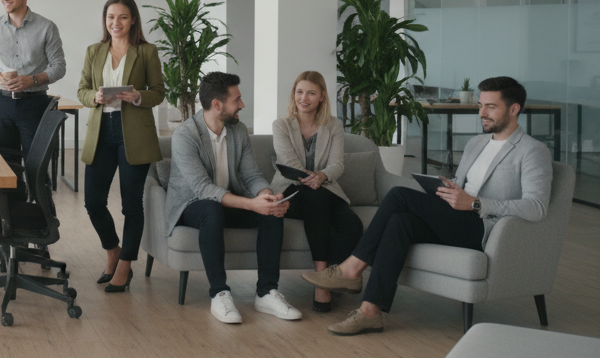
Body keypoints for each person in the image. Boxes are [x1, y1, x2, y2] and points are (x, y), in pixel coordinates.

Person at [305, 76, 552, 336]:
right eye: (480, 106)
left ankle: (351, 268)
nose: (482, 113)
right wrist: (449, 188)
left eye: (491, 107)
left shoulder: (532, 151)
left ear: (514, 109)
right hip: (458, 217)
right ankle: (370, 312)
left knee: (399, 196)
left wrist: (475, 203)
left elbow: (537, 206)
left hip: (485, 228)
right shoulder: (476, 143)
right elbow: (465, 183)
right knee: (399, 221)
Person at [164, 72, 303, 324]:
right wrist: (252, 204)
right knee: (211, 209)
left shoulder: (237, 130)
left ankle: (266, 292)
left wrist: (266, 196)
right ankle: (219, 293)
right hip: (191, 204)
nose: (242, 104)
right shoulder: (185, 135)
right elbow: (203, 189)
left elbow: (251, 175)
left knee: (271, 210)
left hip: (229, 201)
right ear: (217, 105)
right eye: (237, 99)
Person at [76, 0, 164, 293]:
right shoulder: (94, 51)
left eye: (122, 17)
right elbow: (82, 89)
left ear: (133, 20)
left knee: (131, 205)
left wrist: (138, 96)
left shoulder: (147, 52)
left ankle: (125, 265)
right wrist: (95, 97)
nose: (116, 23)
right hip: (101, 131)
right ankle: (113, 250)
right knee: (93, 202)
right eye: (111, 17)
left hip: (134, 133)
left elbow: (159, 92)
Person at [271, 71, 364, 313]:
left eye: (311, 93)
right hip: (291, 191)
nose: (304, 98)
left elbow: (337, 164)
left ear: (322, 96)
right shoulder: (281, 125)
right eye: (299, 92)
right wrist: (310, 178)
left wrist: (321, 176)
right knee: (317, 197)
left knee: (352, 224)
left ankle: (335, 278)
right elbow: (289, 162)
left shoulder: (333, 125)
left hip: (324, 188)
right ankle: (322, 284)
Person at [0, 0, 66, 159]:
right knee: (5, 165)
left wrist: (33, 80)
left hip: (34, 103)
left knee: (36, 163)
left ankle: (36, 182)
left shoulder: (46, 27)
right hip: (1, 103)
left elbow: (59, 66)